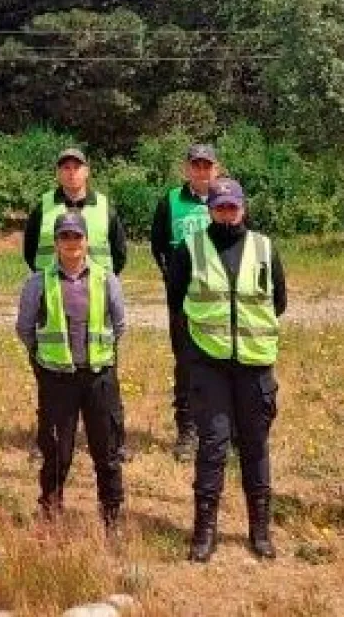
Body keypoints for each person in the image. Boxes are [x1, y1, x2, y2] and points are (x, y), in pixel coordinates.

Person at [165, 178, 286, 563]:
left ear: (243, 208)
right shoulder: (190, 249)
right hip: (210, 366)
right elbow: (177, 301)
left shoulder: (265, 248)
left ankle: (260, 532)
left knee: (254, 445)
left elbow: (278, 302)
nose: (227, 213)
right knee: (213, 447)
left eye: (233, 207)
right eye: (220, 207)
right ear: (210, 210)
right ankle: (204, 533)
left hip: (254, 364)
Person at [16, 211, 126, 535]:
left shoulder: (106, 279)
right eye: (64, 236)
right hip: (57, 379)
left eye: (76, 236)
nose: (71, 243)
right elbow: (25, 329)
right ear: (56, 242)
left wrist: (100, 357)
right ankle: (50, 511)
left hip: (98, 378)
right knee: (56, 452)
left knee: (106, 451)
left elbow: (119, 325)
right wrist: (44, 360)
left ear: (86, 240)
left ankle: (111, 517)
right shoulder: (38, 282)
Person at [150, 143, 221, 462]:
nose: (201, 171)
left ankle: (222, 429)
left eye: (207, 166)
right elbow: (158, 244)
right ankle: (187, 430)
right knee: (187, 364)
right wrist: (172, 277)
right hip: (183, 299)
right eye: (196, 165)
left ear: (216, 169)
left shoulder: (228, 198)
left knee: (223, 362)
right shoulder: (171, 201)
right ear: (187, 169)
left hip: (220, 299)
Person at [22, 148, 127, 275]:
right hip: (50, 287)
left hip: (97, 287)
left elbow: (119, 251)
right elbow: (29, 250)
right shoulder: (42, 208)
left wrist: (106, 282)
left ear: (86, 172)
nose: (71, 173)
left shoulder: (104, 208)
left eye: (76, 167)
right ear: (58, 173)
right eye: (66, 168)